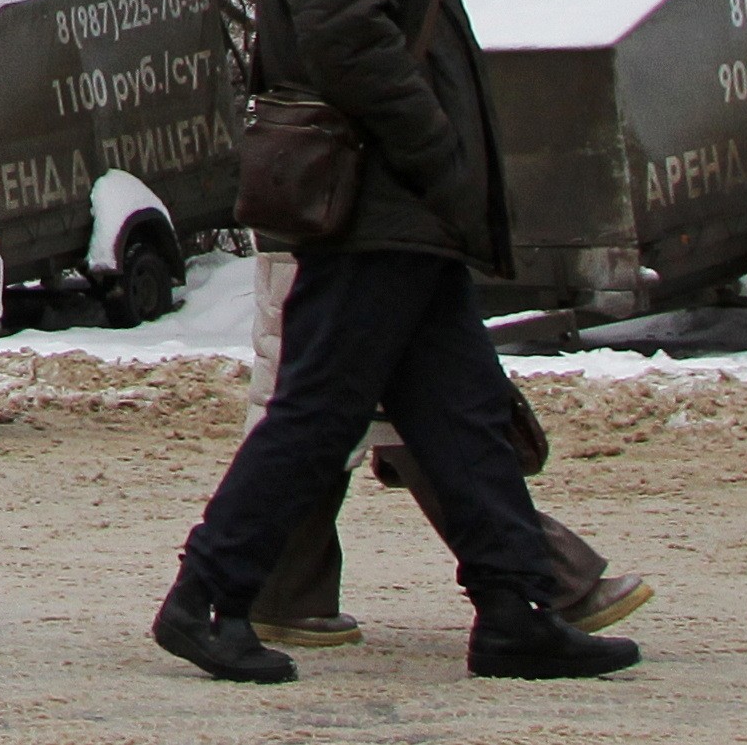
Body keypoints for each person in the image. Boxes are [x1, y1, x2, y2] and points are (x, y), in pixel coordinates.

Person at [152, 0, 641, 684]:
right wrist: (437, 152)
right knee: (317, 411)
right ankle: (205, 597)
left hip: (405, 211)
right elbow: (348, 41)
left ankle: (516, 609)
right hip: (376, 204)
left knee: (462, 417)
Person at [239, 246, 651, 648]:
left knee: (347, 414)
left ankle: (278, 590)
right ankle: (546, 581)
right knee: (419, 416)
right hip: (356, 242)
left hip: (351, 239)